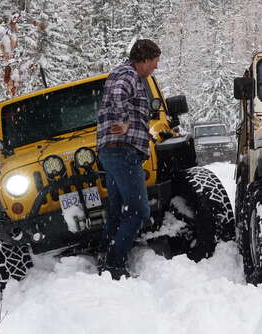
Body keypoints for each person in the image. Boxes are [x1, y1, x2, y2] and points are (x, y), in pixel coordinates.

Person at [96, 39, 160, 280]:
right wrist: (123, 120)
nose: (156, 66)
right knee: (137, 211)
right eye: (155, 61)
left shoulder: (126, 74)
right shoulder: (127, 74)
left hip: (113, 152)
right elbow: (117, 94)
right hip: (122, 150)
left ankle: (106, 254)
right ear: (144, 59)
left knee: (117, 209)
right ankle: (114, 265)